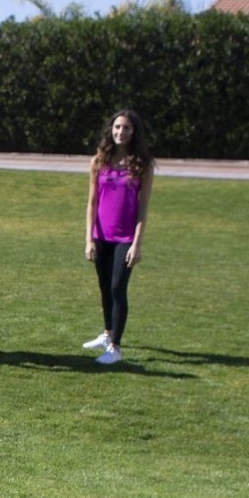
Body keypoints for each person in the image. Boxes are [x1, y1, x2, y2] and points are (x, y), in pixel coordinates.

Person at [83, 108, 154, 367]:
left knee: (117, 287)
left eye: (126, 128)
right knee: (105, 286)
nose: (120, 132)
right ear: (110, 130)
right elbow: (92, 202)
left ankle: (115, 347)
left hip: (125, 238)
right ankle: (107, 332)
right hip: (101, 235)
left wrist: (137, 244)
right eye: (117, 127)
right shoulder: (99, 161)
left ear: (134, 132)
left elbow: (143, 208)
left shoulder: (142, 166)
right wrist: (89, 239)